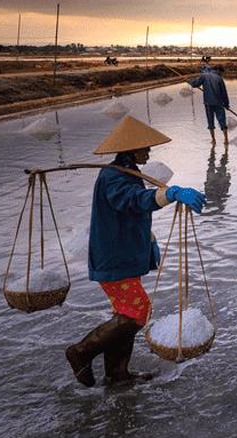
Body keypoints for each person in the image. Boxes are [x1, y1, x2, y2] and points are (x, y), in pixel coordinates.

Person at [65, 116, 207, 387]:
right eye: (145, 147)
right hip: (113, 258)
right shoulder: (114, 177)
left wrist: (149, 238)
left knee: (126, 313)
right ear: (131, 150)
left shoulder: (125, 174)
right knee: (137, 312)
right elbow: (132, 201)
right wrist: (169, 194)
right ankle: (81, 351)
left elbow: (131, 207)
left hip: (124, 255)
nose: (149, 152)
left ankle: (117, 374)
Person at [189, 65, 231, 144]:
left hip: (208, 103)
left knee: (210, 121)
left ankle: (213, 140)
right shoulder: (219, 79)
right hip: (219, 103)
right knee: (222, 120)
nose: (221, 75)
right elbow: (224, 93)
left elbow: (195, 84)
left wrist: (190, 82)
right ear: (218, 70)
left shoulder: (204, 76)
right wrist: (226, 104)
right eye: (221, 73)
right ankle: (226, 140)